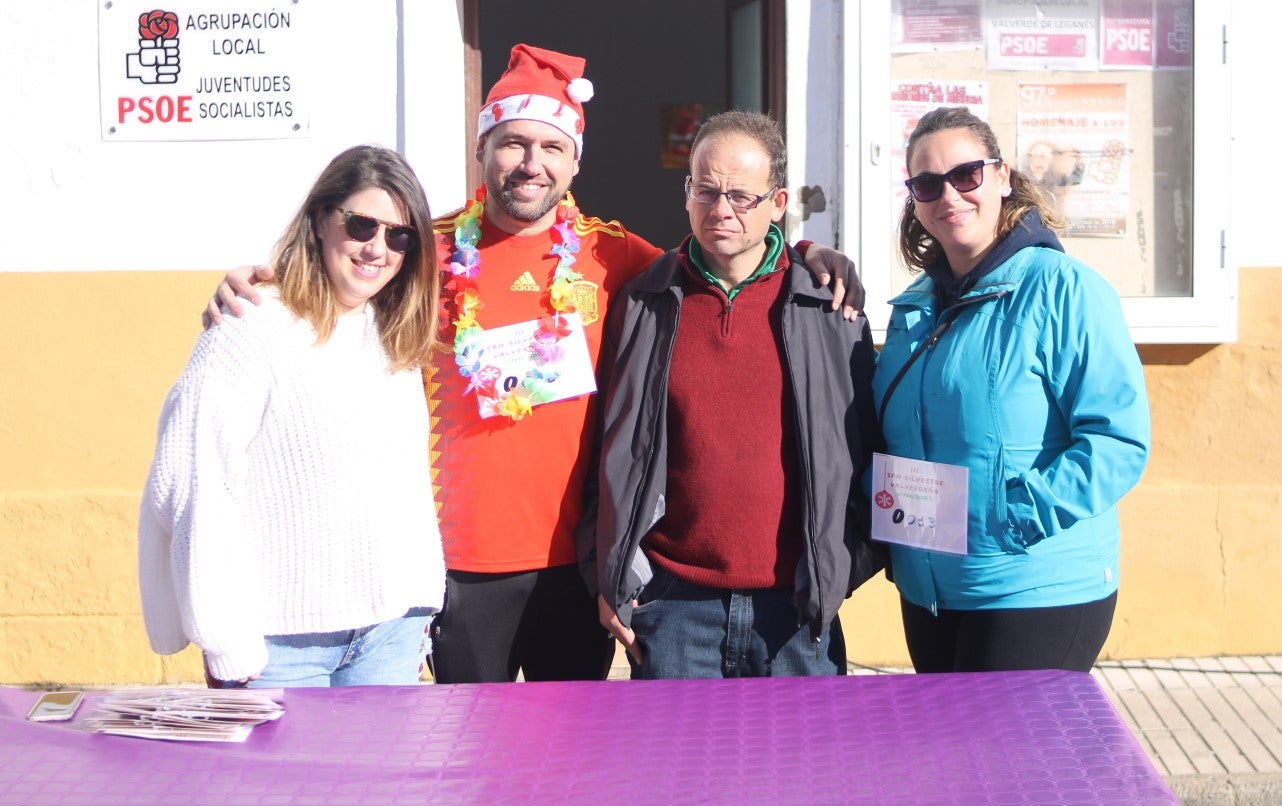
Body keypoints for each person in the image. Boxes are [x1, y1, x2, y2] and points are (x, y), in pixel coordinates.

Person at [202, 45, 864, 684]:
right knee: (471, 748)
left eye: (551, 146)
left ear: (575, 162)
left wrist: (807, 255)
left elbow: (724, 252)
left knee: (574, 748)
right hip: (457, 567)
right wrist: (262, 285)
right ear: (481, 150)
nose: (531, 163)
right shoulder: (422, 253)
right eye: (513, 143)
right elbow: (343, 276)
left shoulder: (615, 257)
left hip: (577, 568)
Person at [584, 111, 884, 679]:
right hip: (673, 609)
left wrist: (842, 569)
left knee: (806, 745)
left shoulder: (829, 308)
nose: (721, 209)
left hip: (797, 613)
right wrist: (609, 574)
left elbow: (868, 448)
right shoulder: (643, 303)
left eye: (742, 196)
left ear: (778, 203)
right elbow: (605, 451)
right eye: (706, 190)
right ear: (687, 193)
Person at [138, 145, 446, 688]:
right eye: (361, 224)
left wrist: (420, 605)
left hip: (391, 637)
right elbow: (195, 479)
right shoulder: (249, 325)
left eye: (400, 236)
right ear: (321, 220)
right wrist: (225, 640)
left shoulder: (395, 334)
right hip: (278, 649)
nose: (377, 248)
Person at [874, 106, 1149, 674]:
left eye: (966, 175)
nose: (949, 195)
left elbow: (1118, 442)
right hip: (932, 589)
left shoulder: (1064, 289)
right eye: (928, 183)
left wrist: (1010, 517)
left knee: (1006, 738)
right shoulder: (915, 307)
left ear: (1002, 177)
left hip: (1035, 585)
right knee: (947, 737)